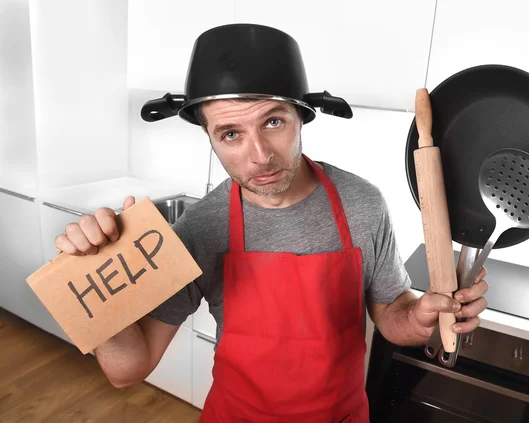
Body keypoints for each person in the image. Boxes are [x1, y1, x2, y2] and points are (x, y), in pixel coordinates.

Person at [55, 24, 488, 423]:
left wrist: (421, 317)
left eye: (274, 121)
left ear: (302, 118)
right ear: (209, 138)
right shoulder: (200, 229)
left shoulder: (362, 204)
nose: (259, 155)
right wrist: (97, 297)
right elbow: (127, 370)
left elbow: (392, 316)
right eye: (230, 134)